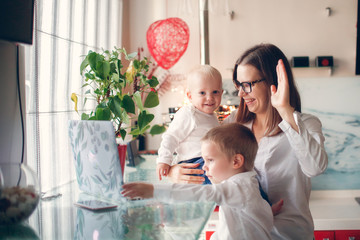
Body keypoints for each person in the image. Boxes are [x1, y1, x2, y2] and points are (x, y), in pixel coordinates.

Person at [166, 43, 328, 239]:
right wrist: (174, 172)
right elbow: (206, 162)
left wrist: (285, 110)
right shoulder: (233, 124)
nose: (241, 94)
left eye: (247, 85)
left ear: (273, 82)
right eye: (239, 85)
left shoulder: (306, 125)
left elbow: (315, 168)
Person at [122, 123, 274, 240]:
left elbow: (202, 193)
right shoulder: (247, 183)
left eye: (210, 160)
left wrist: (153, 191)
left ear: (236, 161)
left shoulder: (238, 187)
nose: (204, 166)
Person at [156, 65, 223, 184]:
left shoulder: (212, 116)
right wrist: (164, 160)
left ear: (221, 93)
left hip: (207, 162)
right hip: (194, 164)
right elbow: (171, 137)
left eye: (215, 92)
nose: (210, 98)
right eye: (202, 93)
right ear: (190, 96)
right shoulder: (188, 113)